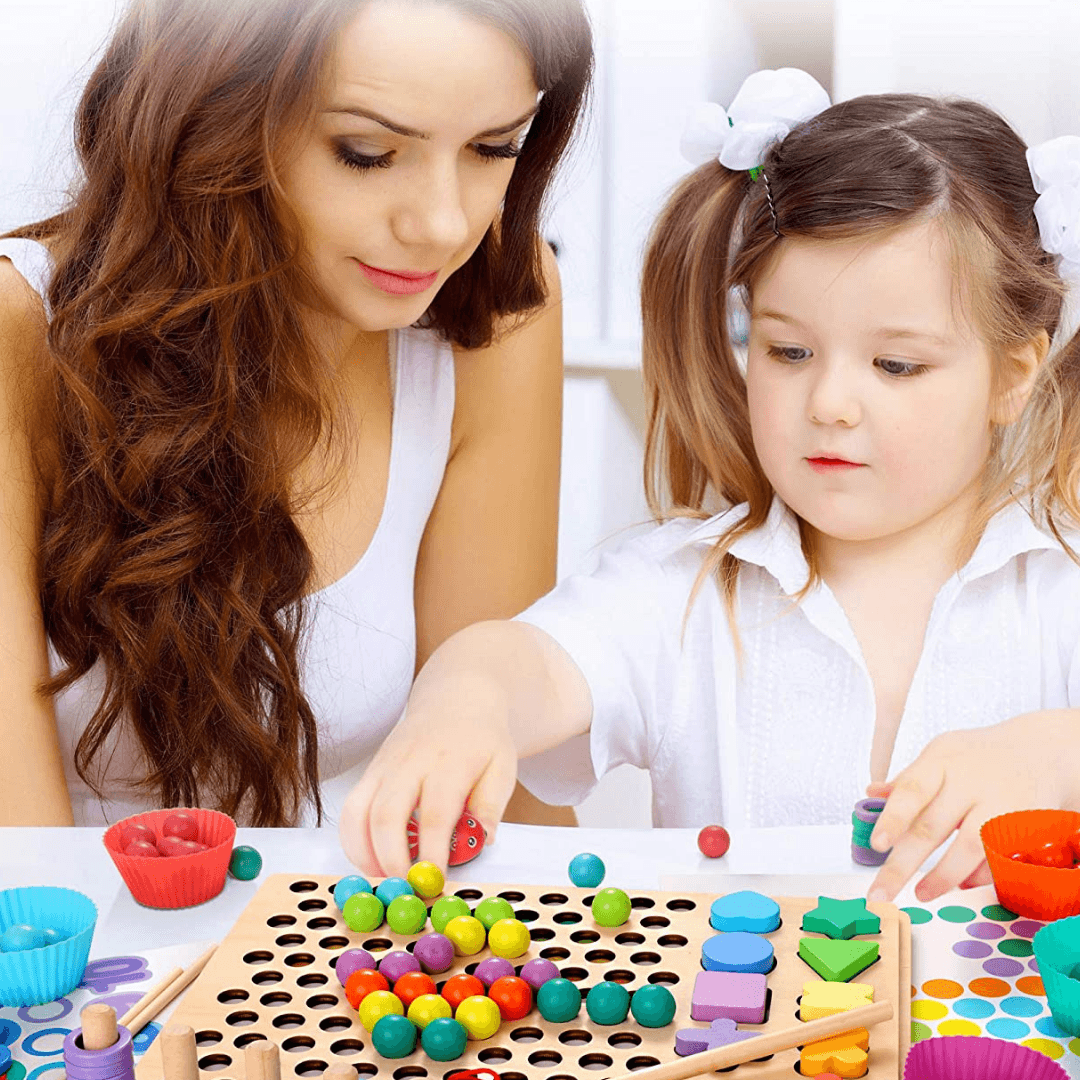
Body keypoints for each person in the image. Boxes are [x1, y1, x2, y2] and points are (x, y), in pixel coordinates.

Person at [343, 69, 1080, 903]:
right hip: (744, 1034)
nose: (830, 405)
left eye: (895, 364)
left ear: (1016, 373)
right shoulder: (680, 590)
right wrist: (462, 698)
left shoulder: (1061, 591)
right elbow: (528, 664)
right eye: (788, 352)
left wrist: (1059, 753)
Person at [0, 0, 593, 827]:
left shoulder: (494, 303)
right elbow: (24, 890)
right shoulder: (21, 330)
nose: (442, 224)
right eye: (368, 153)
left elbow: (502, 803)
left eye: (495, 148)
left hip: (333, 944)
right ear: (211, 114)